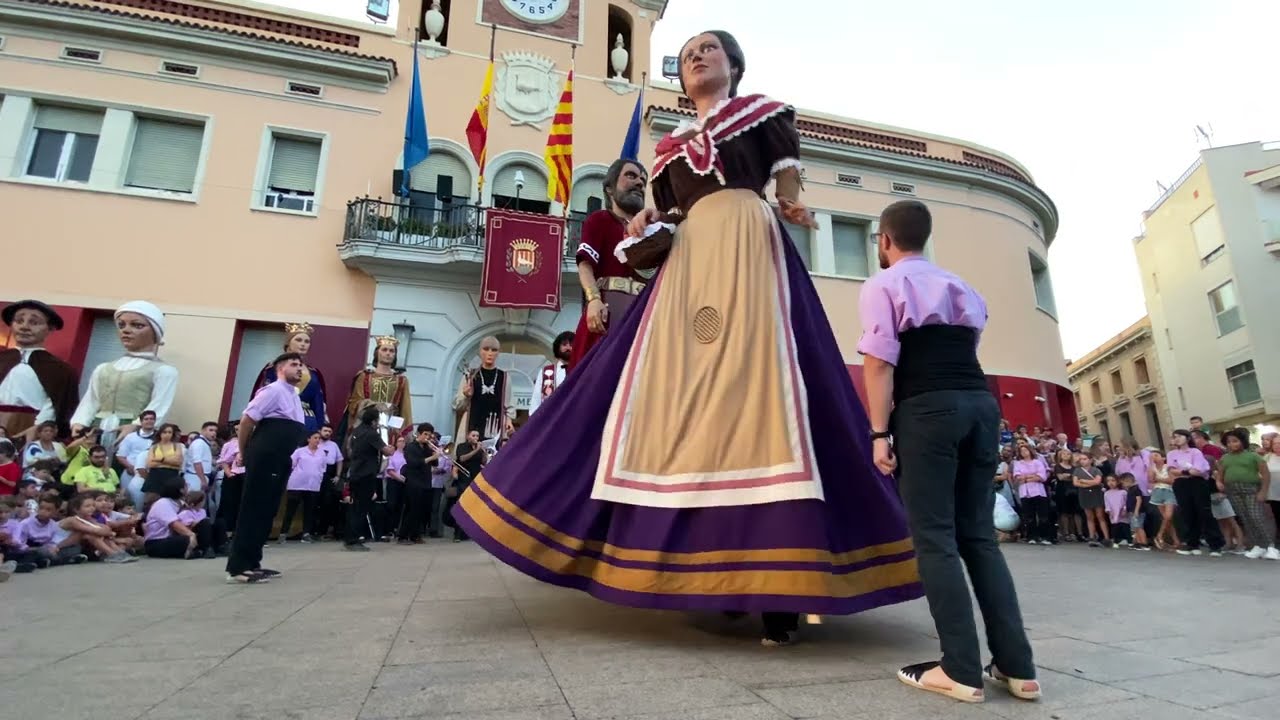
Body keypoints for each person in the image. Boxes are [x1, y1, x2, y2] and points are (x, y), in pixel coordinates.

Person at [453, 30, 923, 648]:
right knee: (660, 401)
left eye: (711, 49)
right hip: (688, 268)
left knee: (763, 398)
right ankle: (706, 575)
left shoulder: (763, 115)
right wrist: (645, 223)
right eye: (691, 52)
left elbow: (786, 191)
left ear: (735, 65)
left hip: (749, 251)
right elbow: (663, 217)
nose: (698, 56)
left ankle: (779, 587)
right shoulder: (670, 146)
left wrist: (795, 209)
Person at [856, 199, 1037, 703]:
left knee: (934, 538)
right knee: (978, 537)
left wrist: (877, 434)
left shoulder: (883, 284)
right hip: (980, 405)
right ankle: (1018, 668)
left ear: (885, 241)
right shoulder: (963, 287)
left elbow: (878, 364)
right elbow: (968, 344)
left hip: (927, 409)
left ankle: (959, 668)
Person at [224, 352, 308, 584]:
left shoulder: (294, 395)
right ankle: (238, 567)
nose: (299, 369)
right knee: (253, 509)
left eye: (301, 365)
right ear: (280, 369)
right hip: (265, 456)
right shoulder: (273, 391)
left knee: (267, 510)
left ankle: (253, 562)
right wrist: (243, 452)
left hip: (281, 458)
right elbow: (247, 421)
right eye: (294, 364)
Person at [568, 158, 652, 370]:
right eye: (631, 176)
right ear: (610, 189)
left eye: (643, 180)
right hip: (608, 312)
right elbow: (585, 265)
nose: (640, 183)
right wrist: (594, 300)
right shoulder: (600, 220)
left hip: (641, 315)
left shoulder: (651, 232)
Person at [70, 301, 179, 449]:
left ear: (155, 331)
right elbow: (91, 400)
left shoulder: (164, 371)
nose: (126, 330)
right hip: (96, 429)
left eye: (137, 325)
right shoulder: (103, 368)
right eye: (121, 325)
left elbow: (159, 406)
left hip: (133, 433)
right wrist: (80, 422)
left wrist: (136, 426)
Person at [0, 299, 79, 440]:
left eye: (34, 322)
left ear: (50, 328)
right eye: (19, 321)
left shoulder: (60, 369)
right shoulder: (3, 359)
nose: (24, 327)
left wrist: (39, 427)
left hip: (33, 430)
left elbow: (58, 406)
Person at [251, 323, 327, 433]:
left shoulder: (314, 373)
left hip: (308, 422)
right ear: (288, 343)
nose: (303, 344)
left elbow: (318, 403)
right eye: (299, 340)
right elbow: (263, 397)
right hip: (280, 419)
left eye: (307, 341)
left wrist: (319, 427)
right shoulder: (274, 367)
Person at [343, 405, 395, 551]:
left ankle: (349, 538)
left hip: (355, 472)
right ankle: (354, 540)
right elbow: (387, 451)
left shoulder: (356, 431)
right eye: (377, 420)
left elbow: (350, 449)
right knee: (362, 508)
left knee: (354, 507)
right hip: (366, 474)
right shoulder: (372, 433)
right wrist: (392, 446)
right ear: (373, 421)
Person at [1168, 429, 1223, 556]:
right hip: (1181, 484)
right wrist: (1187, 471)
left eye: (1179, 436)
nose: (1176, 439)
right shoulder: (1172, 454)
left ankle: (1215, 544)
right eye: (1174, 436)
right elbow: (1172, 470)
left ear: (1187, 438)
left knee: (1204, 511)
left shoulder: (1195, 451)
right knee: (1187, 512)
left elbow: (1198, 470)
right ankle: (1192, 543)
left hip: (1197, 483)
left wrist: (1184, 471)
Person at [343, 335, 412, 436]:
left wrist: (403, 433)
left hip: (391, 430)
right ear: (377, 353)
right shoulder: (364, 376)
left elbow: (405, 410)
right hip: (366, 427)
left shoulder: (401, 380)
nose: (388, 353)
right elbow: (354, 404)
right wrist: (374, 406)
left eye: (392, 351)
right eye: (384, 350)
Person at [1216, 428, 1269, 554]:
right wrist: (1219, 482)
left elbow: (1265, 475)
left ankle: (1269, 545)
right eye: (1228, 442)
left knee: (1256, 516)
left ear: (1242, 442)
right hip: (1232, 490)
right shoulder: (1225, 458)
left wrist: (1263, 492)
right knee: (1245, 518)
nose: (1231, 444)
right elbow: (1220, 474)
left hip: (1251, 489)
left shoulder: (1253, 456)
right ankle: (1257, 545)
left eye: (1235, 441)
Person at [452, 337, 513, 444]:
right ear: (480, 351)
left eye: (494, 350)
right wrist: (466, 396)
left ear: (498, 353)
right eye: (486, 349)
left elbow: (509, 405)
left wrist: (509, 420)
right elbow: (457, 405)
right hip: (471, 425)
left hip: (496, 426)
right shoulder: (470, 375)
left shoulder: (504, 377)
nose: (490, 353)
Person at [280, 431, 327, 544]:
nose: (317, 440)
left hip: (313, 485)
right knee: (291, 509)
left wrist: (319, 478)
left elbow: (323, 468)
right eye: (315, 438)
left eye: (318, 438)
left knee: (309, 511)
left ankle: (306, 534)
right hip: (297, 484)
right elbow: (291, 465)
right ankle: (283, 533)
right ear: (308, 439)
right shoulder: (299, 451)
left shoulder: (322, 453)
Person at [398, 423, 440, 544]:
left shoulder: (427, 448)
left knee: (420, 510)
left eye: (429, 435)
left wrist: (435, 453)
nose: (427, 437)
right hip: (413, 481)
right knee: (411, 509)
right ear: (419, 434)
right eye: (425, 434)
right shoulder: (411, 447)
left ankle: (415, 535)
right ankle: (402, 536)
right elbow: (414, 463)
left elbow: (435, 464)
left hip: (425, 481)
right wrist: (431, 458)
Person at [142, 424, 185, 508]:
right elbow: (150, 463)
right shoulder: (154, 447)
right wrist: (169, 460)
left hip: (171, 476)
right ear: (160, 433)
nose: (167, 434)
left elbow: (178, 462)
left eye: (170, 432)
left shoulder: (177, 446)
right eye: (165, 432)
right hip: (155, 476)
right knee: (150, 502)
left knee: (169, 502)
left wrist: (160, 459)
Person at [530, 332, 573, 414]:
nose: (568, 348)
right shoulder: (546, 372)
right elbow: (536, 401)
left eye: (571, 345)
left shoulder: (582, 370)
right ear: (558, 347)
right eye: (564, 345)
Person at [1146, 450, 1180, 550]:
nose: (1154, 458)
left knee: (1168, 516)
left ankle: (1159, 535)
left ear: (1163, 458)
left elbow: (1171, 480)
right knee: (1166, 518)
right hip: (1158, 491)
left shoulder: (1168, 467)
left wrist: (1158, 479)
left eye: (1156, 455)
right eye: (1152, 456)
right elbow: (1151, 479)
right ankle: (1176, 540)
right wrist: (1151, 464)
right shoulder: (1152, 468)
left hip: (1169, 491)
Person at [1074, 453, 1109, 547]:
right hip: (1084, 494)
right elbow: (1076, 483)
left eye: (1085, 459)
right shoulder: (1077, 470)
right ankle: (1092, 537)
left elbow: (1097, 481)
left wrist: (1084, 481)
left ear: (1090, 460)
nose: (1082, 461)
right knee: (1089, 517)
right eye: (1081, 459)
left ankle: (1106, 537)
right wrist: (1090, 484)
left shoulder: (1096, 470)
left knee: (1100, 516)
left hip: (1096, 493)